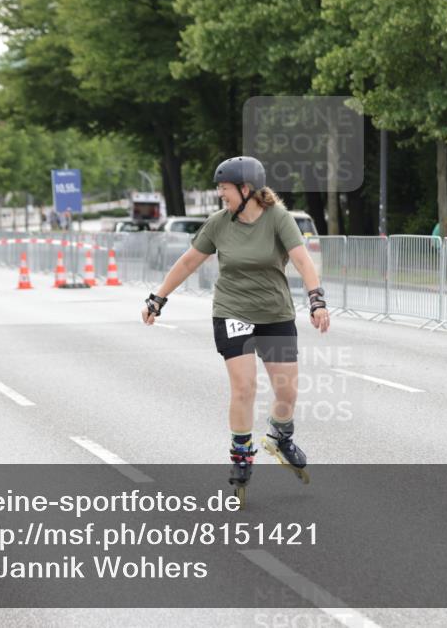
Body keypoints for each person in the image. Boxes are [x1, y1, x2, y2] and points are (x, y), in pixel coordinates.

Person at [141, 156, 329, 503]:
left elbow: (302, 260)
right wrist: (158, 298)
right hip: (232, 311)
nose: (220, 194)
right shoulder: (219, 223)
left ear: (246, 189)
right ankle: (241, 454)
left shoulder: (278, 218)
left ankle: (280, 437)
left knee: (286, 392)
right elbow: (188, 261)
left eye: (224, 188)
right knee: (244, 386)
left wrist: (316, 300)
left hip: (274, 313)